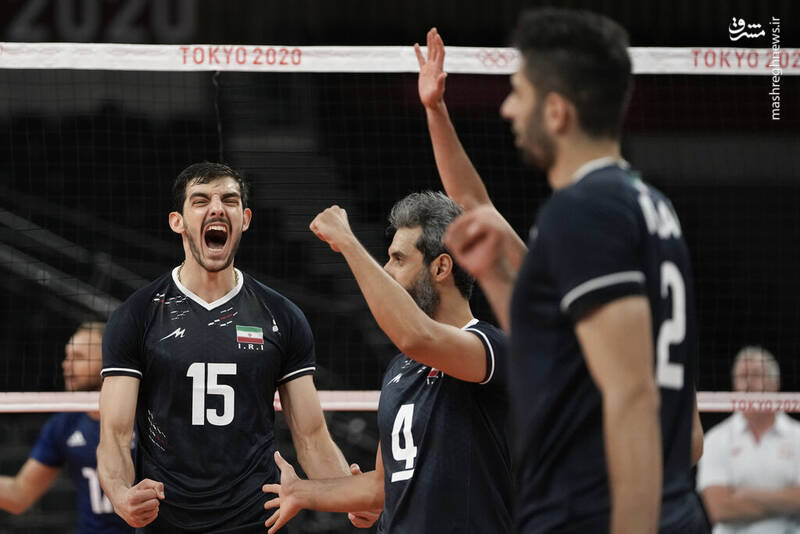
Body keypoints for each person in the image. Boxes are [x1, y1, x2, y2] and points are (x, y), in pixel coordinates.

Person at [432, 10, 706, 533]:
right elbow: (569, 347)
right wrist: (494, 277)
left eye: (519, 93)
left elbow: (630, 395)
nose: (508, 108)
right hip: (658, 500)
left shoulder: (585, 211)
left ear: (556, 112)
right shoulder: (650, 205)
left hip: (596, 511)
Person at [96, 162, 351, 533]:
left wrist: (349, 496)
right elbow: (114, 437)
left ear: (244, 219)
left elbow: (312, 437)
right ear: (177, 222)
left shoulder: (281, 316)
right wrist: (120, 494)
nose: (217, 208)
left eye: (229, 200)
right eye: (201, 201)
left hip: (258, 519)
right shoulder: (138, 314)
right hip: (168, 521)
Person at [262, 191, 512, 533]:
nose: (387, 270)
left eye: (398, 259)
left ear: (441, 267)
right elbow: (381, 486)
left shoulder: (491, 346)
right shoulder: (400, 369)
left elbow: (418, 336)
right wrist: (302, 492)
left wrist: (348, 242)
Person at [0, 322, 133, 533]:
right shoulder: (64, 424)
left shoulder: (148, 417)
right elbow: (19, 495)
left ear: (109, 360)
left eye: (78, 357)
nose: (66, 365)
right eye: (67, 357)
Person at [697, 346, 800, 533]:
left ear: (775, 383)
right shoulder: (716, 438)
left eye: (756, 375)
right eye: (742, 377)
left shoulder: (797, 435)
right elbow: (718, 509)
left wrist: (745, 496)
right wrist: (786, 500)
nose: (749, 383)